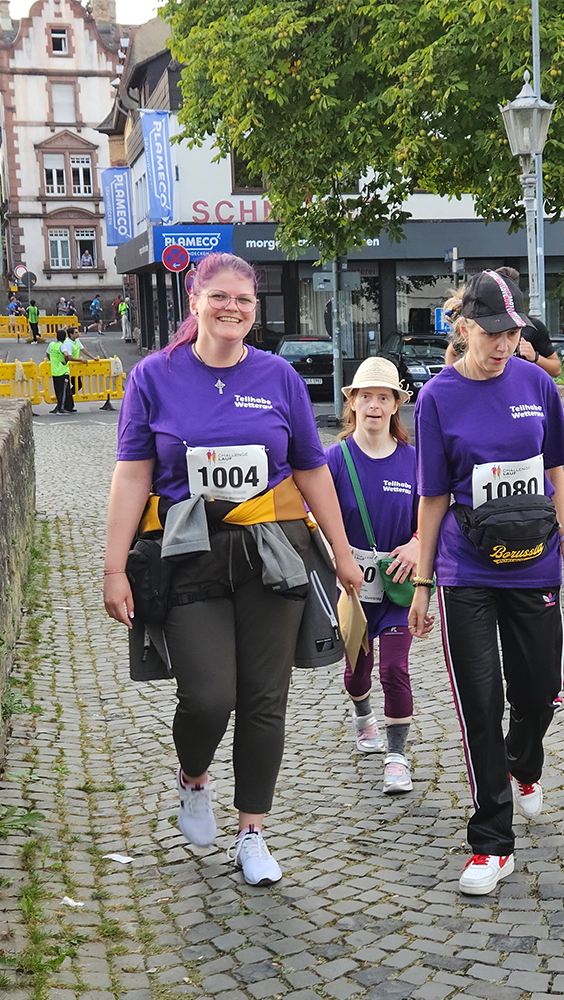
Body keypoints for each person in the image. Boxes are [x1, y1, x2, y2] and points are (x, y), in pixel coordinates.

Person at [103, 251, 362, 887]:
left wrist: (343, 552)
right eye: (219, 297)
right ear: (195, 302)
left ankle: (252, 832)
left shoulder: (279, 378)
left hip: (272, 551)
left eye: (243, 301)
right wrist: (113, 567)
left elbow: (310, 468)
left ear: (255, 310)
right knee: (209, 694)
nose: (232, 309)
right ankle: (193, 776)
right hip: (186, 554)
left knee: (265, 697)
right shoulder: (154, 377)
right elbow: (133, 473)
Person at [408, 269, 564, 897]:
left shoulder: (537, 384)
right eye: (491, 333)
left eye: (511, 333)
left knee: (540, 691)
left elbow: (556, 472)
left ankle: (525, 761)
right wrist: (424, 584)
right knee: (481, 702)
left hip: (535, 562)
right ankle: (491, 843)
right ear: (463, 329)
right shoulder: (436, 397)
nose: (502, 344)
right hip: (468, 569)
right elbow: (433, 497)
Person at [325, 358, 418, 794]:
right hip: (353, 589)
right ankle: (364, 717)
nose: (375, 405)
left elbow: (434, 517)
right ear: (353, 404)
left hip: (398, 588)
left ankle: (397, 757)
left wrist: (418, 544)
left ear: (396, 406)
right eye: (367, 397)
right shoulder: (334, 459)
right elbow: (313, 515)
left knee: (394, 670)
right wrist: (336, 555)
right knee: (359, 672)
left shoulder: (413, 461)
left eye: (384, 397)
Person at [495, 267, 561, 378]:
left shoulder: (532, 327)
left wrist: (535, 357)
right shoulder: (480, 325)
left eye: (513, 333)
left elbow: (556, 369)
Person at [46, 329, 73, 414]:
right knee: (63, 391)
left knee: (57, 390)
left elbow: (47, 354)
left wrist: (52, 360)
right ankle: (61, 408)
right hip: (63, 371)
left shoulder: (51, 345)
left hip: (54, 371)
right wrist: (65, 361)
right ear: (65, 337)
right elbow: (66, 354)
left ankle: (63, 405)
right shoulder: (62, 346)